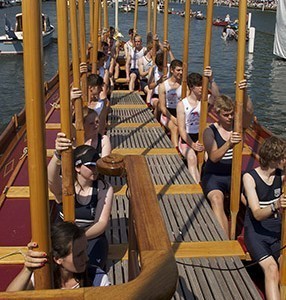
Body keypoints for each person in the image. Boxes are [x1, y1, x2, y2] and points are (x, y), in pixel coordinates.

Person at [48, 145, 114, 270]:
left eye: (97, 165)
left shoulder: (103, 188)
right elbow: (51, 180)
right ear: (77, 167)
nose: (95, 169)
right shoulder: (65, 186)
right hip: (63, 238)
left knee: (88, 268)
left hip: (90, 237)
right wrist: (57, 154)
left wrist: (77, 239)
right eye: (90, 166)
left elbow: (101, 223)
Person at [201, 80, 253, 236]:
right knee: (217, 199)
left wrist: (244, 91)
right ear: (218, 113)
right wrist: (229, 144)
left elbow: (249, 112)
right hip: (214, 175)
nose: (230, 117)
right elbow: (214, 157)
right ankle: (225, 241)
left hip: (234, 174)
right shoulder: (209, 131)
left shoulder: (238, 126)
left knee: (251, 198)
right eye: (226, 115)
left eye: (232, 114)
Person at [6, 222, 111, 291]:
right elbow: (10, 296)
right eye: (79, 254)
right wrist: (27, 269)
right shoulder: (43, 276)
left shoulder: (98, 279)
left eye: (85, 250)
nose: (87, 258)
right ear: (57, 259)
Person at [243, 136, 286, 300]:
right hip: (256, 232)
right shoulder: (249, 177)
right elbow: (257, 213)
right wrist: (276, 205)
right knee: (271, 269)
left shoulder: (282, 176)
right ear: (274, 158)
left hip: (277, 230)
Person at [177, 67, 219, 183]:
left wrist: (212, 80)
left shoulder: (204, 101)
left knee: (209, 158)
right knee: (192, 158)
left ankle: (209, 181)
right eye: (199, 85)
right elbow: (181, 129)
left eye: (202, 85)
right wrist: (192, 144)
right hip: (187, 139)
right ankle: (197, 186)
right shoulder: (182, 104)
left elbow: (216, 97)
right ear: (191, 87)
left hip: (201, 136)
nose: (202, 88)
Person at [158, 59, 183, 148]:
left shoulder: (184, 85)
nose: (181, 72)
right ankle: (176, 151)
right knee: (175, 128)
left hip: (180, 113)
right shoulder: (163, 86)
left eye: (182, 70)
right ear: (172, 70)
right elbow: (163, 108)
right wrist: (173, 119)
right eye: (178, 70)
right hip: (167, 113)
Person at [148, 41, 174, 120]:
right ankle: (156, 121)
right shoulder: (154, 69)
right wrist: (158, 82)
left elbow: (176, 64)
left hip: (168, 96)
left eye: (162, 67)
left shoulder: (169, 67)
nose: (161, 69)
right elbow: (149, 86)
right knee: (159, 105)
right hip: (156, 96)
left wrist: (169, 51)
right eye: (159, 67)